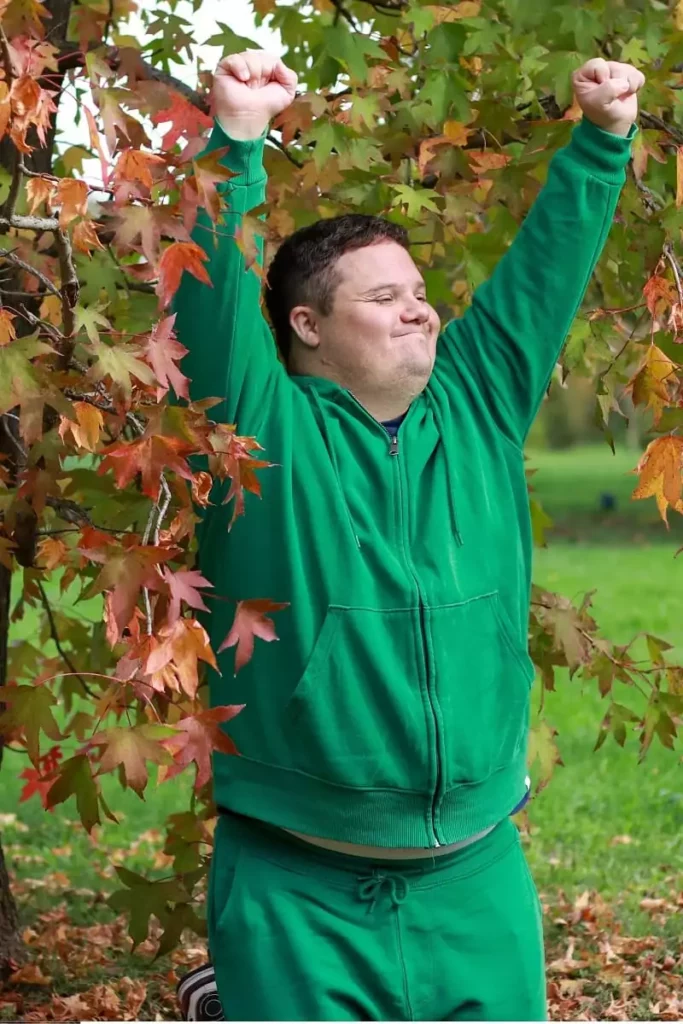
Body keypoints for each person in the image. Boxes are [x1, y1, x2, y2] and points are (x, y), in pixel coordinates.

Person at [173, 50, 643, 1022]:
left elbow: (540, 276)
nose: (418, 305)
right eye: (381, 296)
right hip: (295, 884)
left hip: (475, 880)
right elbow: (210, 293)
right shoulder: (264, 436)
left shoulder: (474, 404)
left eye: (418, 288)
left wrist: (601, 141)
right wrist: (235, 139)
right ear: (305, 325)